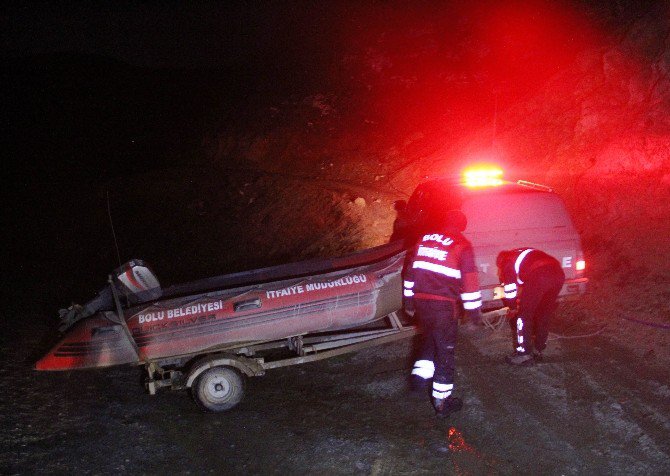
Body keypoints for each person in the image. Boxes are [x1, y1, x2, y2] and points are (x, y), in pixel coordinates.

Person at [402, 209, 482, 417]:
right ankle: (442, 403)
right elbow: (470, 283)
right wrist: (474, 315)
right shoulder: (461, 245)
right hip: (443, 307)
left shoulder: (424, 239)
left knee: (429, 341)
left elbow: (409, 272)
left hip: (422, 304)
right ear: (461, 226)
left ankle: (418, 383)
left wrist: (409, 302)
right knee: (445, 353)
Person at [496, 248, 565, 365]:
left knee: (523, 316)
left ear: (500, 262)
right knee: (544, 314)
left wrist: (512, 307)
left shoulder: (507, 261)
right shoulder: (522, 254)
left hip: (540, 275)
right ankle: (538, 350)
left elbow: (510, 289)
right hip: (558, 274)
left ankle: (524, 354)